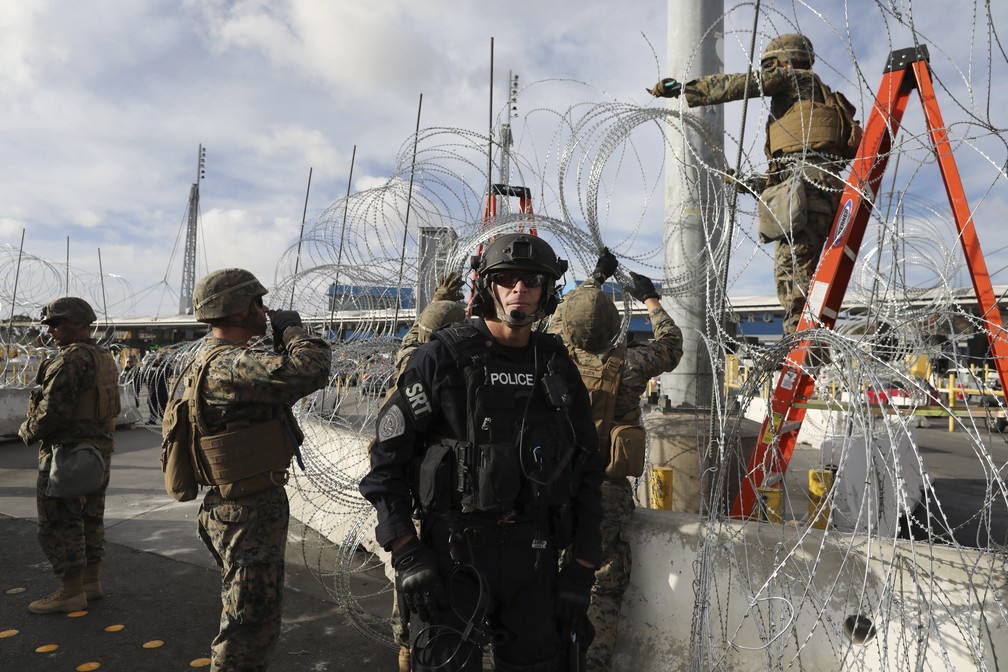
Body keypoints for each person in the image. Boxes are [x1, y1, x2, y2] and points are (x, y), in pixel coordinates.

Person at [359, 233, 604, 671]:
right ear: (488, 287)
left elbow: (587, 469)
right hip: (453, 556)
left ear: (548, 290)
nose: (519, 289)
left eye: (532, 280)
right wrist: (407, 550)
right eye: (507, 279)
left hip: (534, 560)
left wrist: (582, 565)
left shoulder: (556, 366)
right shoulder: (441, 359)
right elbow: (386, 466)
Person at [650, 33, 861, 335]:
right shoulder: (824, 101)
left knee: (793, 278)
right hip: (827, 191)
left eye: (770, 65)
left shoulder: (794, 79)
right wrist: (745, 182)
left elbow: (742, 84)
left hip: (806, 193)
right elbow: (792, 173)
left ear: (784, 62)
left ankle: (799, 345)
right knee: (813, 275)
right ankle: (812, 341)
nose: (768, 71)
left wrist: (687, 89)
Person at [188, 268, 331, 671]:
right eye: (257, 302)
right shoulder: (233, 364)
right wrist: (294, 331)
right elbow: (312, 369)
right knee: (248, 625)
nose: (265, 310)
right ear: (237, 309)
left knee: (250, 614)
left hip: (239, 504)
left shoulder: (214, 356)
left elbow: (274, 386)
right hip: (246, 512)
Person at [548, 250, 684, 671]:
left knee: (544, 575)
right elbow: (672, 345)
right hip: (605, 490)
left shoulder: (551, 354)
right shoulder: (630, 364)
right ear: (613, 324)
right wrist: (651, 300)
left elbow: (569, 315)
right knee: (602, 584)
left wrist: (595, 277)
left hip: (552, 485)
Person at [19, 297, 121, 614]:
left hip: (67, 453)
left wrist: (26, 431)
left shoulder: (70, 359)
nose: (50, 330)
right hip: (98, 450)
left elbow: (53, 411)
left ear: (78, 323)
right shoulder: (103, 356)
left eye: (56, 323)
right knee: (91, 515)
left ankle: (70, 592)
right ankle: (90, 582)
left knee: (58, 520)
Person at [388, 271, 468, 672]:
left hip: (404, 492)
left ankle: (406, 647)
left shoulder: (408, 360)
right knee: (432, 582)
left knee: (408, 579)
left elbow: (414, 336)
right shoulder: (448, 368)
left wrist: (438, 299)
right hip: (436, 493)